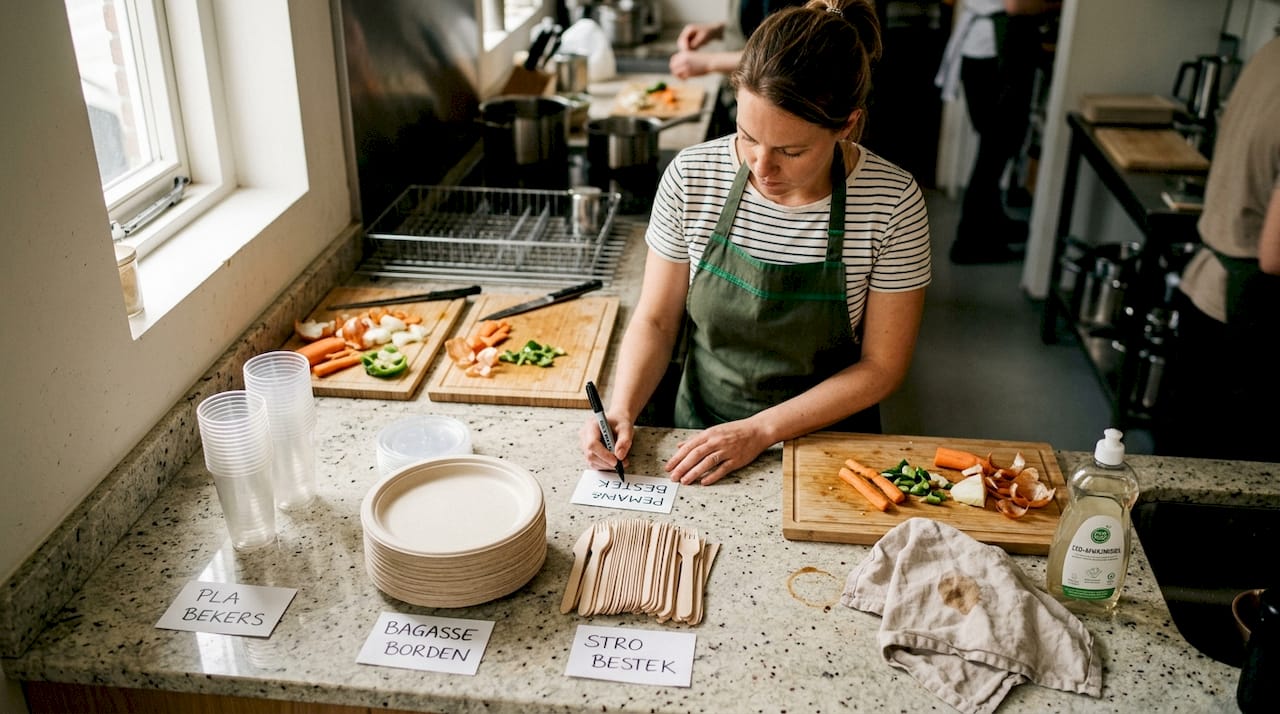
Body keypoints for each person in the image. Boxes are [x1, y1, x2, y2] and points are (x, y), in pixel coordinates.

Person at [580, 0, 931, 486]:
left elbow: (882, 366)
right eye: (747, 137)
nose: (762, 168)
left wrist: (761, 431)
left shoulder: (891, 202)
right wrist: (621, 407)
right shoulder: (692, 177)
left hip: (829, 457)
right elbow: (657, 319)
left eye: (791, 151)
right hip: (699, 441)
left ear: (846, 124)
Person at [1157, 34, 1280, 463]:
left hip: (1206, 290)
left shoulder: (1270, 52)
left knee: (1184, 464)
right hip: (1247, 312)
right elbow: (1275, 252)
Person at [934, 0, 1059, 264]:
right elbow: (1016, 5)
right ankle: (969, 240)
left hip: (985, 52)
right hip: (993, 53)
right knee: (995, 147)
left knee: (998, 144)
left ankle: (992, 221)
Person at [669, 0, 805, 138]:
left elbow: (780, 54)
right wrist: (717, 30)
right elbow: (758, 24)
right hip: (734, 96)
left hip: (757, 108)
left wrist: (709, 62)